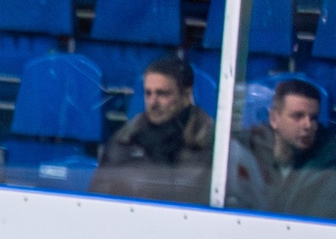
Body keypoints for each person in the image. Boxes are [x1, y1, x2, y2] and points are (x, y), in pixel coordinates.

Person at [93, 54, 214, 203]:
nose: (153, 102)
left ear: (186, 96)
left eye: (162, 94)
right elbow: (98, 200)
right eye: (148, 93)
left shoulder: (213, 144)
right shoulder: (124, 140)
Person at [229, 77, 323, 206]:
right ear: (274, 119)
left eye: (313, 118)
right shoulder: (244, 152)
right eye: (298, 116)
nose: (308, 125)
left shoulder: (324, 164)